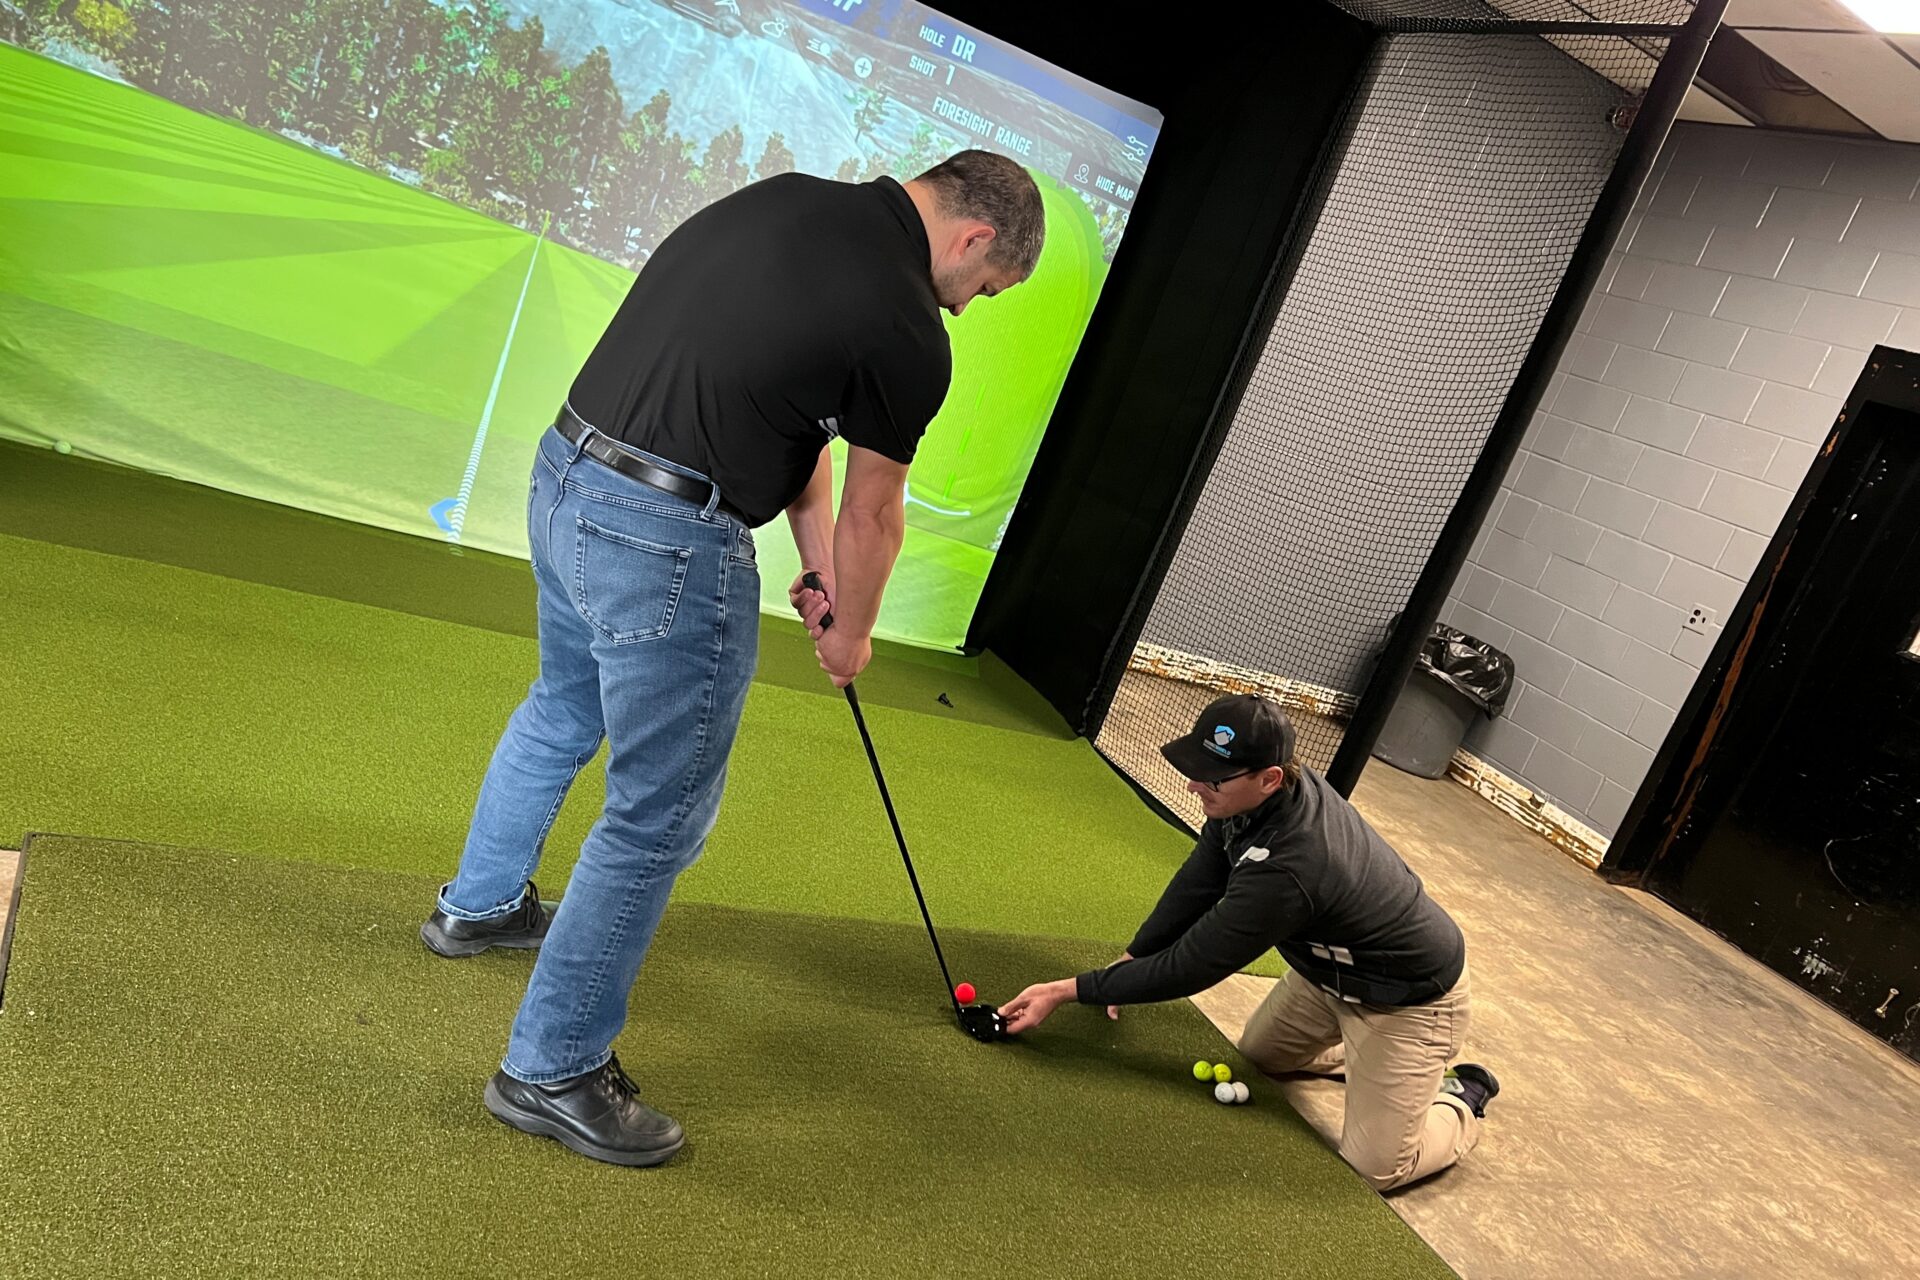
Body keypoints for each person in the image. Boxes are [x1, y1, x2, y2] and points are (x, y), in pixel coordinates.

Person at [418, 150, 1045, 1167]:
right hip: (659, 537)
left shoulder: (787, 201)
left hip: (565, 476)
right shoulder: (907, 326)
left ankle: (478, 906)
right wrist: (849, 632)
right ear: (976, 240)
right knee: (657, 813)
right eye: (986, 288)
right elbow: (876, 512)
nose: (971, 307)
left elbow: (796, 427)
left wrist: (815, 568)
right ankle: (552, 1066)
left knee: (562, 706)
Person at [998, 693, 1498, 1192]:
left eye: (1212, 778)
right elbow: (1200, 880)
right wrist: (1137, 952)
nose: (1194, 785)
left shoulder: (1292, 865)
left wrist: (1071, 990)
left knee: (1376, 1168)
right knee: (1260, 1058)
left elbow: (1193, 965)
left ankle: (1457, 1092)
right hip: (1326, 977)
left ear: (1270, 778)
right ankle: (1384, 1067)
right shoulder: (1249, 801)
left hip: (1407, 998)